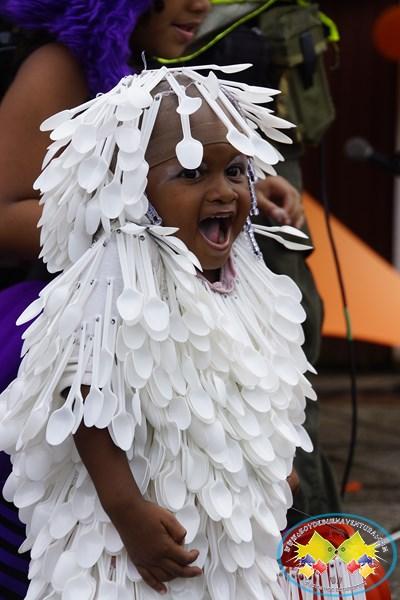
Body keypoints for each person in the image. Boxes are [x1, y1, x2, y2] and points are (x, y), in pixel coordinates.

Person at [0, 65, 315, 598]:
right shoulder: (114, 282)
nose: (223, 192)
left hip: (224, 524)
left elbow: (264, 383)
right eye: (193, 174)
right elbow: (84, 402)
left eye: (236, 171)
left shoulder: (249, 285)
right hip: (135, 533)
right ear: (133, 193)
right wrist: (127, 511)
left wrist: (273, 465)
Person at [0, 2, 210, 597]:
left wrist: (244, 183)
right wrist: (138, 207)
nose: (204, 4)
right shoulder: (56, 68)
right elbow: (2, 213)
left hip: (143, 317)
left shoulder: (151, 64)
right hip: (57, 326)